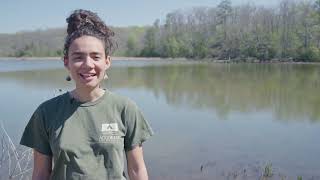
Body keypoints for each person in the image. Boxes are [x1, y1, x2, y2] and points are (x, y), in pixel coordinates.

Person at [20, 9, 153, 180]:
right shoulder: (46, 112)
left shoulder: (125, 109)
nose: (88, 64)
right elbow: (40, 173)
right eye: (78, 57)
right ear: (66, 62)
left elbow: (137, 170)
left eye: (95, 56)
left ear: (107, 62)